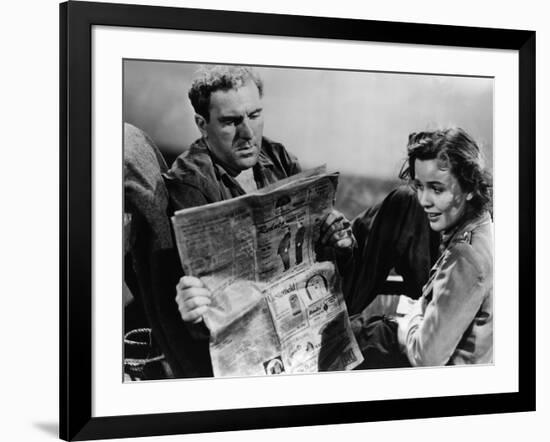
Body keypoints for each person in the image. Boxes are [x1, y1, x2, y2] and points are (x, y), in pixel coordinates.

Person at [164, 65, 355, 349]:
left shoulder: (278, 156)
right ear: (202, 124)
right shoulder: (189, 183)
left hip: (309, 300)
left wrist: (336, 238)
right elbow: (201, 293)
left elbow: (315, 251)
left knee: (400, 205)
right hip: (254, 329)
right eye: (230, 122)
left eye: (254, 116)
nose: (247, 134)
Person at [352, 128, 493, 367]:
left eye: (437, 189)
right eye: (419, 186)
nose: (423, 200)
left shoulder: (465, 258)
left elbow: (425, 358)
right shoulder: (479, 226)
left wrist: (407, 320)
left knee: (355, 338)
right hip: (439, 347)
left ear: (469, 189)